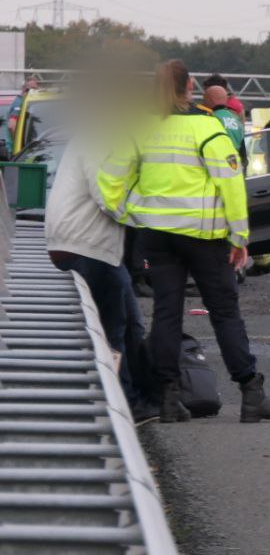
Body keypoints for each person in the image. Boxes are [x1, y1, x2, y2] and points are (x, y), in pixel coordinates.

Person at [97, 60, 270, 424]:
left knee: (166, 313)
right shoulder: (208, 128)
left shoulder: (141, 127)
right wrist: (240, 237)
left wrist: (133, 215)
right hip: (205, 238)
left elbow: (108, 181)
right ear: (190, 89)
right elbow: (231, 184)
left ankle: (169, 399)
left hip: (158, 238)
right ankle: (251, 392)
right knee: (225, 313)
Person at [48, 133, 157, 424]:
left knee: (132, 324)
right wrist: (153, 218)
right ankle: (124, 406)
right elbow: (107, 196)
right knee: (113, 332)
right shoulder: (99, 139)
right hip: (86, 244)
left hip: (92, 246)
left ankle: (147, 397)